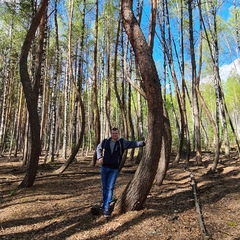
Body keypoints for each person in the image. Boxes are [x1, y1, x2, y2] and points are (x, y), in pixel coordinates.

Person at [96, 127, 145, 217]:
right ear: (111, 133)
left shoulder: (122, 142)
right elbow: (98, 147)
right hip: (104, 167)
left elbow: (133, 144)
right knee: (104, 187)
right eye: (113, 133)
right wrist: (99, 157)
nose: (114, 135)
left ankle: (106, 207)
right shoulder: (106, 141)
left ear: (118, 134)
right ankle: (104, 203)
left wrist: (143, 143)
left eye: (116, 133)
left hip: (114, 169)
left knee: (110, 188)